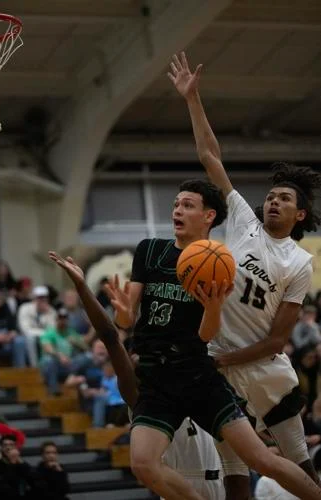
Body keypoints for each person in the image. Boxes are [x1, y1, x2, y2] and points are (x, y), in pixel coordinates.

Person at [168, 50, 321, 498]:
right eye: (270, 195)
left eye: (284, 199)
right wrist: (192, 99)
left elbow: (277, 341)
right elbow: (209, 155)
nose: (272, 201)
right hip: (219, 360)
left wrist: (226, 360)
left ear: (300, 214)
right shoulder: (242, 221)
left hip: (264, 368)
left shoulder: (300, 262)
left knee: (297, 459)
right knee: (235, 466)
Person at [49, 250, 321, 499]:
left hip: (219, 484)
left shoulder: (201, 382)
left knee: (262, 460)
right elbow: (110, 337)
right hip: (181, 489)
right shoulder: (139, 395)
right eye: (139, 355)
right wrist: (83, 289)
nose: (141, 356)